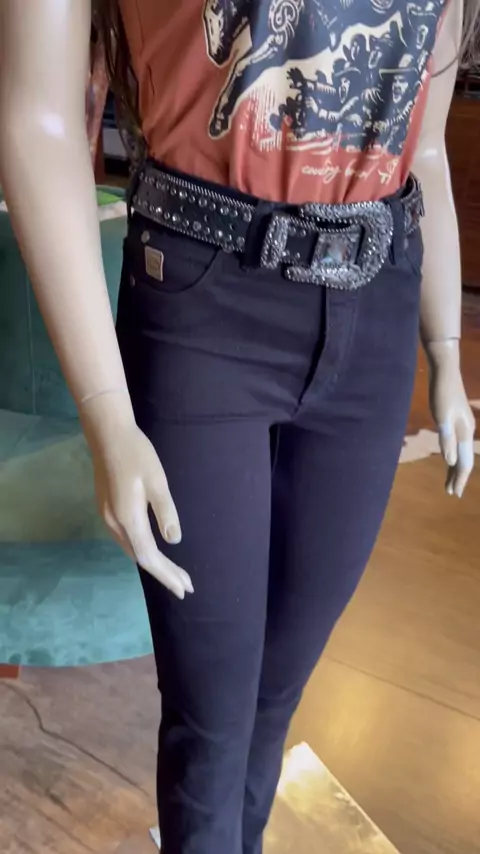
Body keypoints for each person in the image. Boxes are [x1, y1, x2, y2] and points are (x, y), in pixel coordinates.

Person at [0, 2, 478, 853]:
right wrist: (107, 410)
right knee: (210, 715)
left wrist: (445, 353)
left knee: (273, 694)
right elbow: (38, 117)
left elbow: (427, 143)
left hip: (379, 297)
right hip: (202, 298)